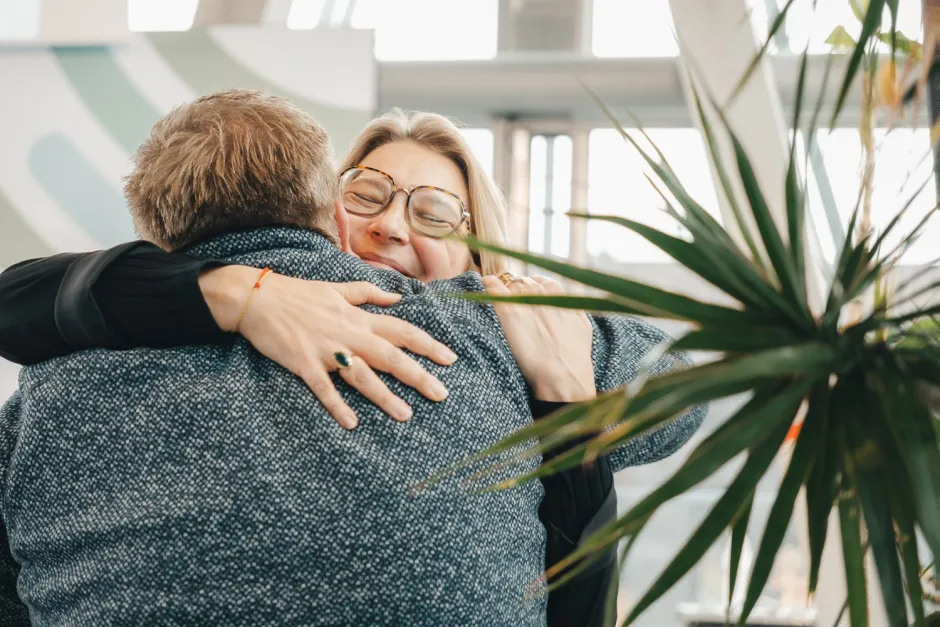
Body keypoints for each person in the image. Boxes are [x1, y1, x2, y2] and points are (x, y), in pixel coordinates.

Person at [0, 99, 706, 626]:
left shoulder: (496, 330)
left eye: (434, 213)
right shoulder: (108, 334)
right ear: (328, 210)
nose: (390, 225)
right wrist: (245, 294)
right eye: (367, 193)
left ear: (482, 261)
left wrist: (562, 375)